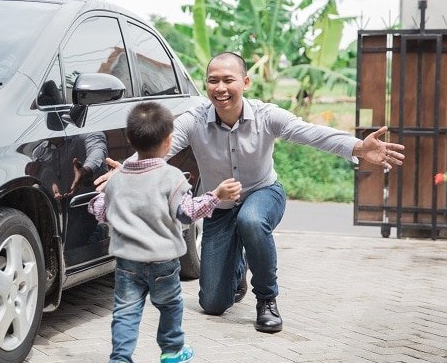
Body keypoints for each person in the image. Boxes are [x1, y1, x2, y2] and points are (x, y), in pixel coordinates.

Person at [96, 52, 405, 335]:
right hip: (219, 207)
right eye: (213, 80)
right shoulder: (194, 120)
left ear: (245, 82)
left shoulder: (266, 115)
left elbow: (310, 132)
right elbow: (159, 149)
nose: (220, 87)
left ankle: (266, 300)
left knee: (251, 221)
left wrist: (358, 147)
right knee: (213, 304)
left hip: (263, 193)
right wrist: (124, 173)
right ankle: (239, 265)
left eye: (228, 80)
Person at [88, 101, 240, 363]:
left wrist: (99, 195)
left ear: (131, 140)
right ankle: (171, 353)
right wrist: (216, 194)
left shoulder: (117, 179)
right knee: (170, 305)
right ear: (169, 141)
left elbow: (101, 213)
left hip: (127, 262)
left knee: (125, 312)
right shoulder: (172, 177)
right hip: (164, 262)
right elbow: (187, 213)